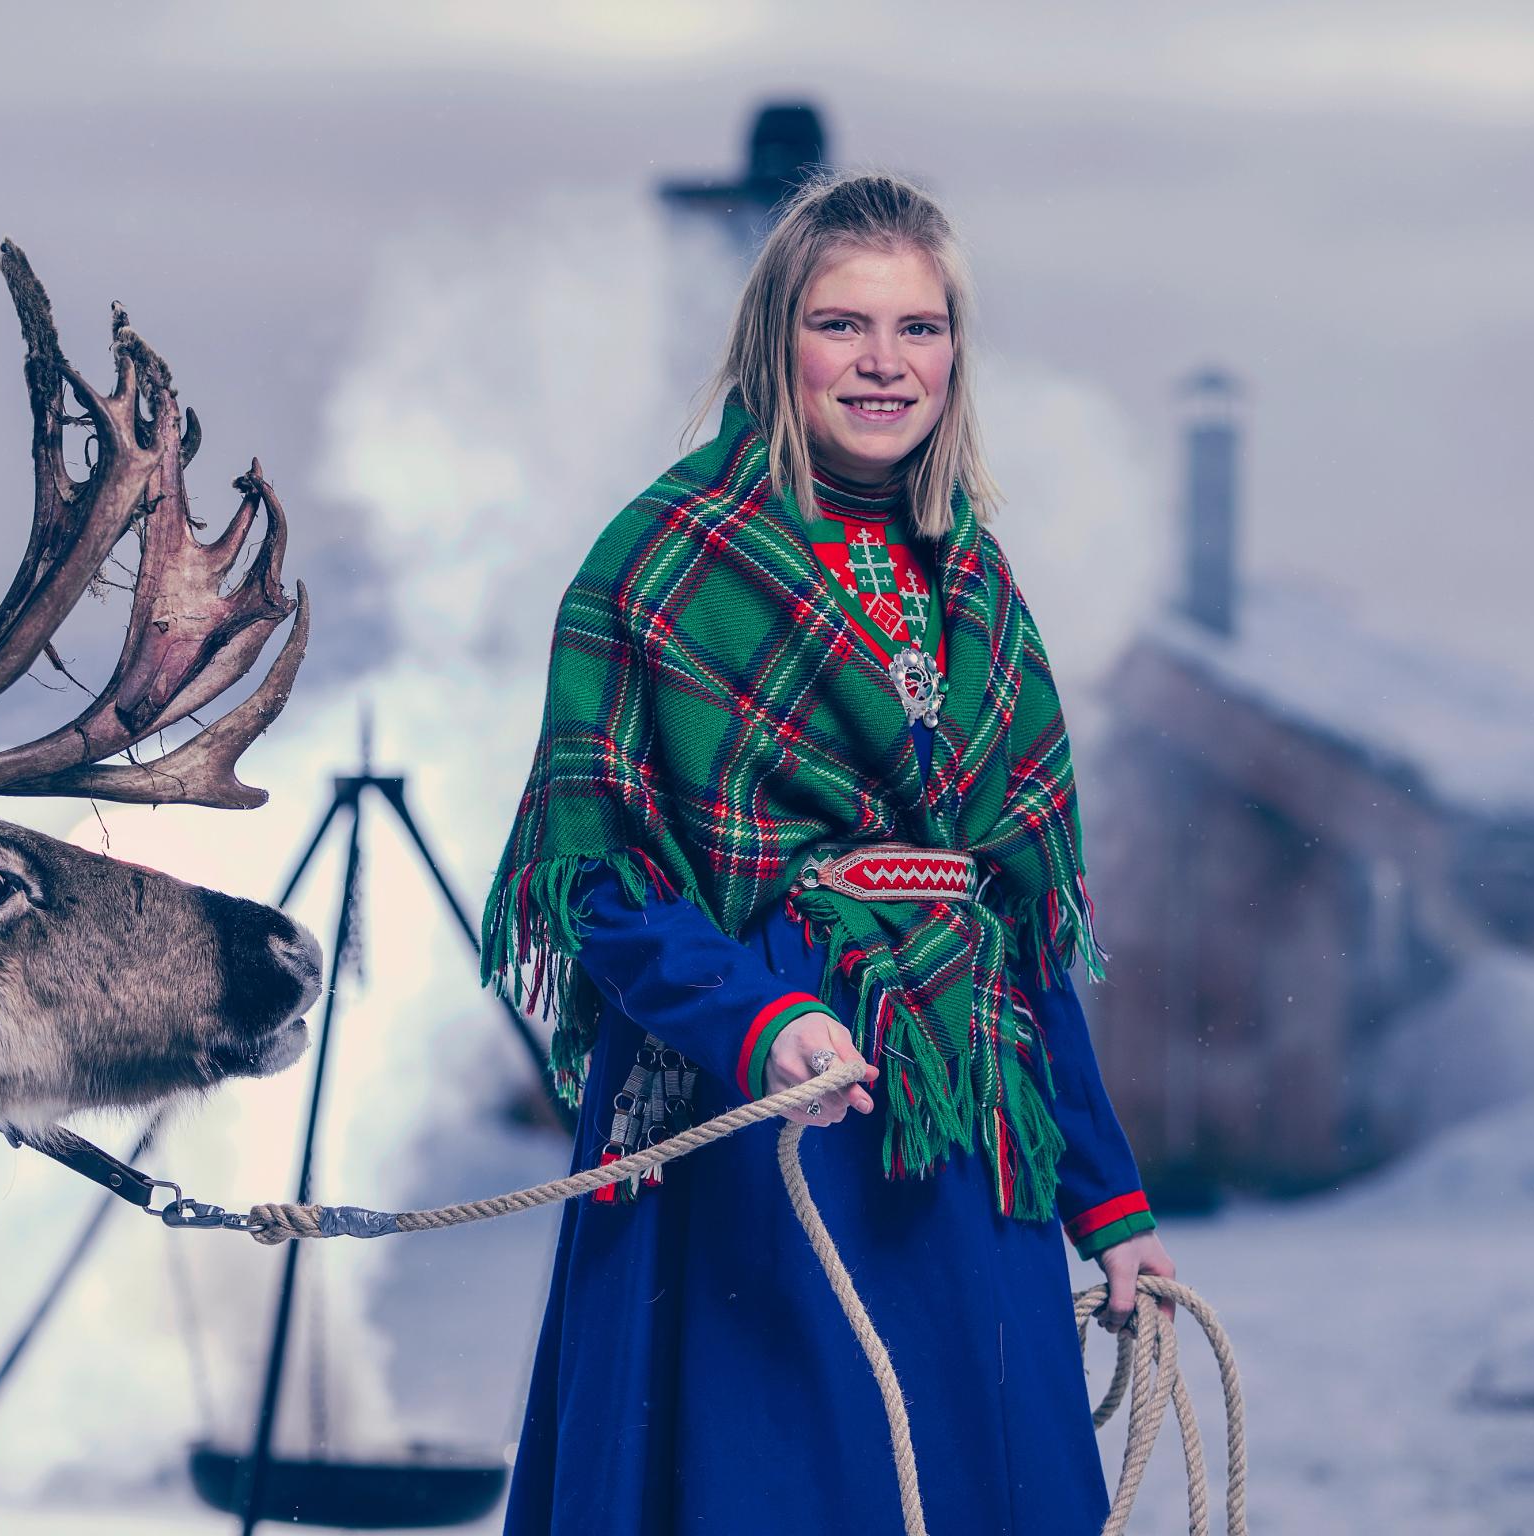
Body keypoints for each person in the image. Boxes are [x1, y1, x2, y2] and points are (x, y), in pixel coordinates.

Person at [481, 169, 1175, 1536]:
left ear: (957, 355)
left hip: (970, 1146)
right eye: (841, 324)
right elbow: (605, 890)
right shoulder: (661, 559)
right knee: (790, 1486)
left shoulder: (981, 587)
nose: (883, 363)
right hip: (768, 1133)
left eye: (919, 329)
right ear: (775, 341)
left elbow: (1021, 940)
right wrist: (763, 1021)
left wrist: (1109, 1200)